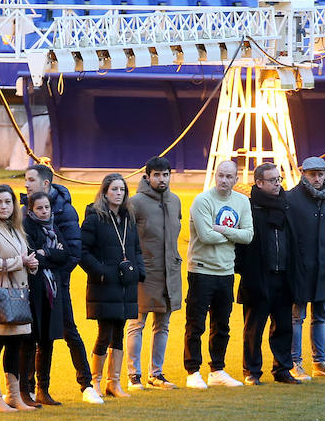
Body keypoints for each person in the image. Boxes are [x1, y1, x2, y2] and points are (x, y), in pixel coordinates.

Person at [22, 191, 100, 405]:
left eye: (47, 207)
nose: (44, 211)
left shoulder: (53, 227)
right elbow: (31, 256)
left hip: (52, 291)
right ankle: (25, 390)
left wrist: (46, 253)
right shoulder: (27, 227)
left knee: (48, 340)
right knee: (30, 341)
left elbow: (64, 254)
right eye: (39, 208)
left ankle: (43, 390)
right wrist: (48, 254)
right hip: (34, 291)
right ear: (31, 211)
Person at [185, 159, 252, 388]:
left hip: (226, 271)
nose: (224, 180)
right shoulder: (202, 200)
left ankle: (217, 370)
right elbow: (205, 236)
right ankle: (192, 371)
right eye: (220, 175)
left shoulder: (242, 201)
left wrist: (221, 229)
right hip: (201, 270)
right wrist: (234, 234)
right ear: (215, 176)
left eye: (228, 176)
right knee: (196, 324)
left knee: (222, 324)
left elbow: (248, 236)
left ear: (236, 179)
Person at [81, 173, 145, 396]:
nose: (119, 193)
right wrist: (101, 272)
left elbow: (136, 249)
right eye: (114, 189)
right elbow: (82, 251)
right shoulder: (94, 218)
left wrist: (139, 272)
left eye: (122, 190)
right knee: (104, 333)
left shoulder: (129, 218)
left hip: (126, 284)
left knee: (119, 333)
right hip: (104, 285)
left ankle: (114, 382)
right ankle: (95, 381)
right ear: (105, 192)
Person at [0, 184, 39, 412]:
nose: (4, 206)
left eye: (8, 202)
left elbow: (23, 257)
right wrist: (19, 262)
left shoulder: (15, 228)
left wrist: (31, 264)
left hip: (17, 295)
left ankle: (13, 396)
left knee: (15, 343)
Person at [287, 156, 325, 379]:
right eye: (312, 174)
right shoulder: (291, 198)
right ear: (303, 174)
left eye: (320, 174)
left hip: (324, 267)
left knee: (320, 317)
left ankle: (319, 362)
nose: (317, 178)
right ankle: (295, 363)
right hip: (300, 268)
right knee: (297, 317)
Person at [238, 163, 299, 385]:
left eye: (279, 179)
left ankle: (282, 369)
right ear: (259, 183)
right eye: (272, 180)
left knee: (283, 327)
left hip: (284, 277)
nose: (277, 184)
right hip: (258, 277)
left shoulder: (286, 206)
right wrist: (247, 272)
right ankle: (251, 371)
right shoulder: (249, 207)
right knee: (254, 328)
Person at [125, 156, 182, 391]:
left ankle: (156, 374)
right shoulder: (135, 202)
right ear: (147, 176)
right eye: (156, 175)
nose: (162, 179)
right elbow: (127, 238)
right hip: (144, 272)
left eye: (165, 174)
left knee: (163, 324)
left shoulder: (175, 201)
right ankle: (133, 375)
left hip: (170, 272)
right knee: (137, 323)